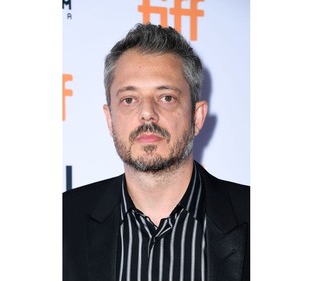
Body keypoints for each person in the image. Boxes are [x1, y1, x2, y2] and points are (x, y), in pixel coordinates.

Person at [63, 23, 249, 281]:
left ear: (197, 116)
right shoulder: (62, 221)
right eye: (129, 99)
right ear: (109, 119)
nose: (147, 112)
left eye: (166, 98)